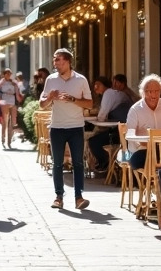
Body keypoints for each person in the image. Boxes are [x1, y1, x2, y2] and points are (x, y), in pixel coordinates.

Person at [41, 49, 93, 210]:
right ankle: (58, 197)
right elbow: (42, 104)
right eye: (55, 61)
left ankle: (79, 197)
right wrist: (50, 97)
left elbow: (89, 104)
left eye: (60, 61)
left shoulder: (81, 80)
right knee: (57, 163)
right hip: (57, 127)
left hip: (76, 127)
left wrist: (72, 99)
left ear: (68, 62)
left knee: (78, 163)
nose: (56, 64)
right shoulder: (50, 79)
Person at [124, 74, 161, 174]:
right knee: (135, 161)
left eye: (156, 91)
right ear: (143, 92)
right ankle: (159, 174)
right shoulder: (135, 110)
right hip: (144, 151)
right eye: (149, 91)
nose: (153, 95)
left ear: (160, 91)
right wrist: (142, 142)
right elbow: (130, 134)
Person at [88, 75, 131, 171]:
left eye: (98, 85)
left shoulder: (109, 93)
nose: (96, 87)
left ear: (105, 85)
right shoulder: (112, 93)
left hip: (122, 133)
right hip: (122, 130)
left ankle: (106, 163)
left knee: (93, 141)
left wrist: (96, 117)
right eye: (94, 85)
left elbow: (102, 116)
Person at [0, 68, 23, 150]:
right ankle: (3, 139)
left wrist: (19, 98)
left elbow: (17, 92)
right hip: (4, 101)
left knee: (12, 122)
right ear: (4, 74)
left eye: (9, 74)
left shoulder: (14, 82)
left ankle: (9, 141)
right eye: (7, 73)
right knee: (5, 121)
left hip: (12, 101)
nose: (8, 75)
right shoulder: (1, 82)